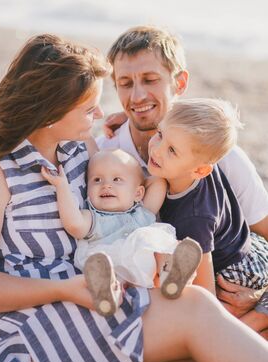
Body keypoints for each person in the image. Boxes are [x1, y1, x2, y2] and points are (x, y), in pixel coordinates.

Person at [0, 33, 268, 362]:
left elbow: (130, 176)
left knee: (193, 361)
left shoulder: (80, 151)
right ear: (50, 111)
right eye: (88, 108)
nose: (99, 113)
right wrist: (64, 290)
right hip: (35, 324)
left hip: (95, 300)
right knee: (196, 307)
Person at [96, 24, 268, 336]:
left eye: (150, 80)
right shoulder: (106, 155)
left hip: (226, 282)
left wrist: (263, 304)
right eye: (125, 83)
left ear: (180, 82)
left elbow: (263, 235)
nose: (136, 96)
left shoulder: (219, 155)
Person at [41, 148, 202, 316]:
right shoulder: (93, 217)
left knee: (158, 239)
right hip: (113, 266)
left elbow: (158, 182)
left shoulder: (142, 211)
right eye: (97, 180)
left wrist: (135, 187)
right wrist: (62, 187)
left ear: (139, 192)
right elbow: (74, 224)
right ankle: (107, 294)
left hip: (146, 268)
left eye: (117, 179)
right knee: (104, 267)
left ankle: (170, 276)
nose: (106, 185)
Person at [147, 97, 268, 296]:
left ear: (201, 170)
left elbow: (207, 292)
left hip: (237, 272)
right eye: (160, 134)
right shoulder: (195, 165)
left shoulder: (195, 218)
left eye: (172, 150)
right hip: (245, 244)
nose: (156, 150)